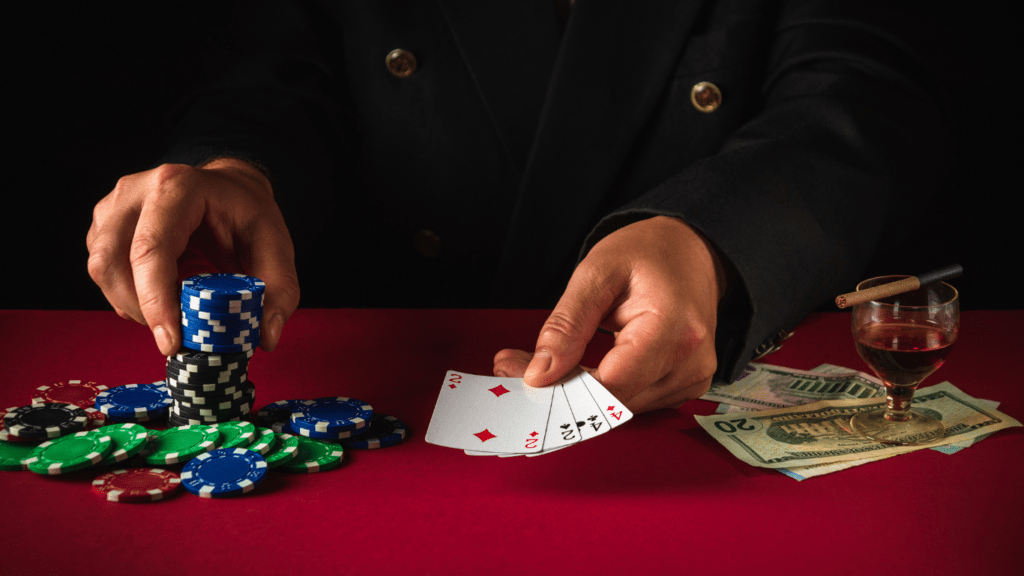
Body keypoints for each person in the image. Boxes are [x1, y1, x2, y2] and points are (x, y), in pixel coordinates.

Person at [86, 0, 947, 413]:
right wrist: (234, 171)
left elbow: (859, 92)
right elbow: (268, 68)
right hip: (391, 393)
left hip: (680, 395)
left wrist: (716, 241)